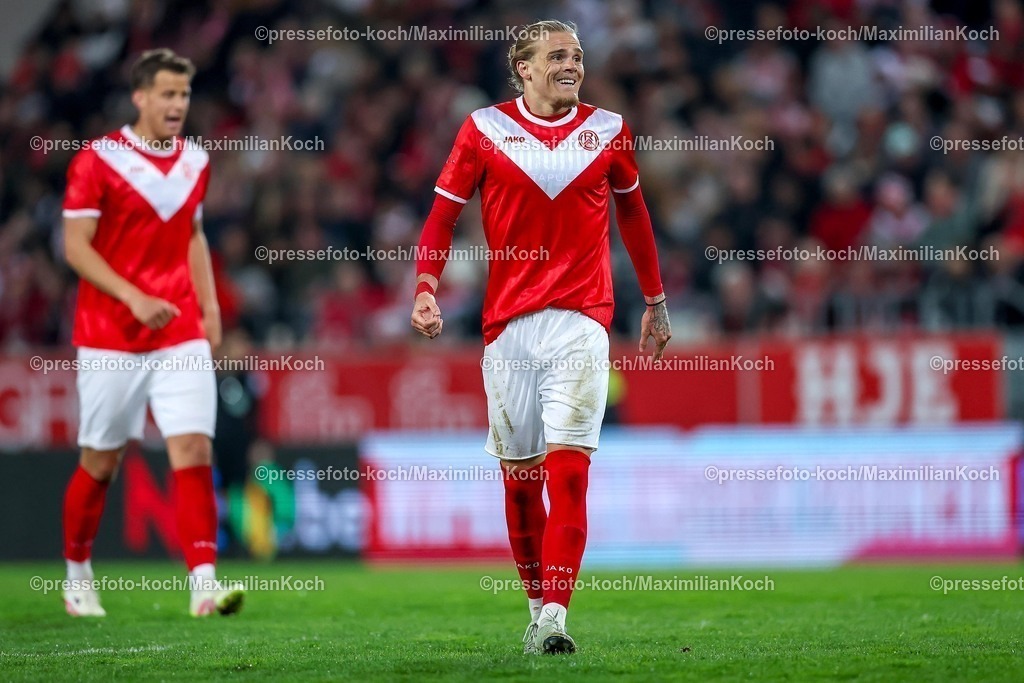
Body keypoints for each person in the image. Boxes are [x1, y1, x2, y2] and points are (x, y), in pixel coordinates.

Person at [410, 20, 670, 654]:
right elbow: (442, 215)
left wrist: (656, 302)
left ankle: (555, 616)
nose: (572, 64)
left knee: (569, 476)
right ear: (522, 68)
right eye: (557, 56)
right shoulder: (483, 130)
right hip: (507, 329)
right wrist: (425, 286)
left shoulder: (609, 131)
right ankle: (534, 607)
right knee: (521, 484)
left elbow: (633, 213)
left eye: (578, 56)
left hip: (583, 321)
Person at [60, 48, 242, 617]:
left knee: (192, 447)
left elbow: (192, 235)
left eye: (184, 95)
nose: (177, 105)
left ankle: (204, 585)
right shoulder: (98, 160)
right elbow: (74, 247)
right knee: (101, 461)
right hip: (110, 332)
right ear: (140, 97)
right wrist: (133, 296)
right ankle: (77, 573)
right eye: (166, 94)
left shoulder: (195, 159)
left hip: (179, 329)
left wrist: (209, 306)